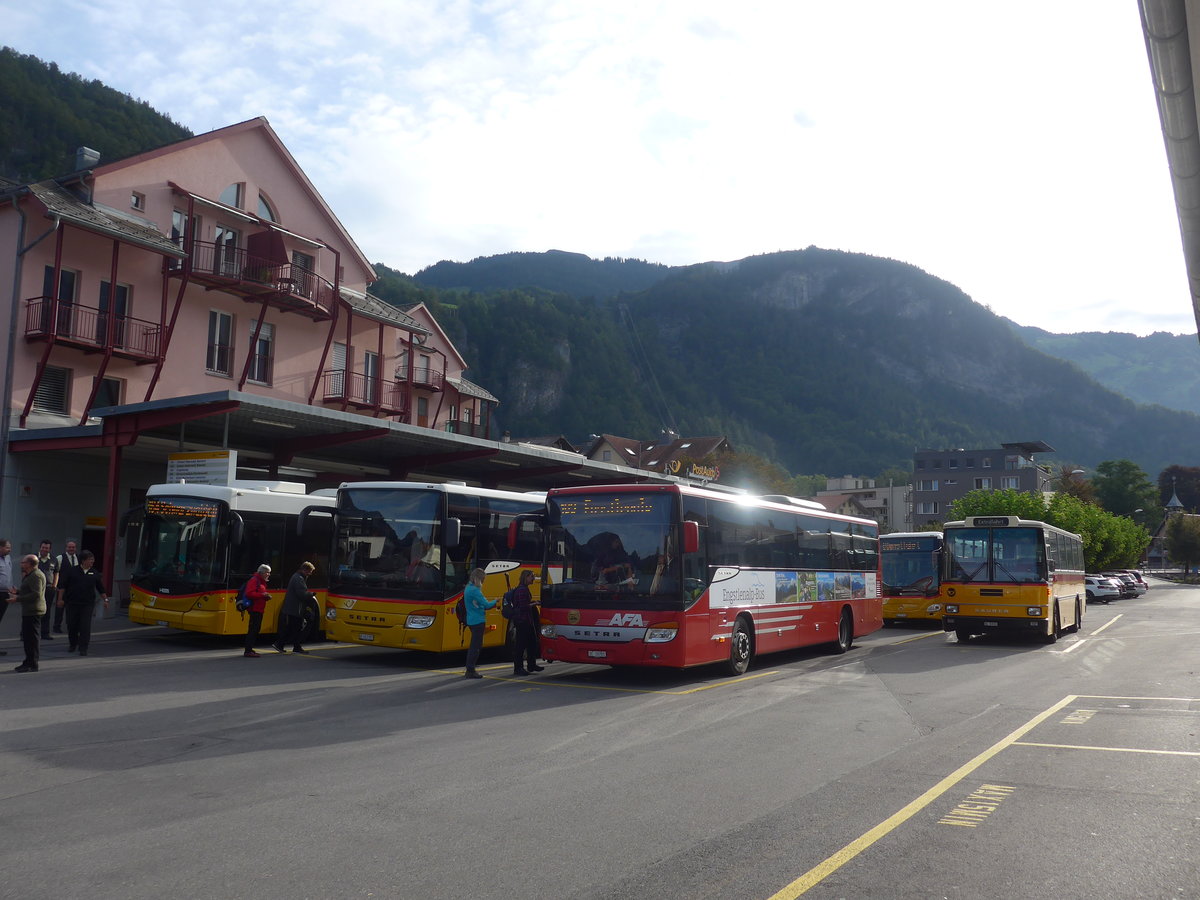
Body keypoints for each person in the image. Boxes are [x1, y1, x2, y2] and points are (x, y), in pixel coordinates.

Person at [56, 549, 108, 656]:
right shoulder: (72, 571)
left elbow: (100, 588)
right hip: (72, 603)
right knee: (71, 625)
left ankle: (83, 647)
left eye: (93, 560)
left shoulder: (94, 572)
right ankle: (73, 644)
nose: (92, 562)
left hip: (87, 604)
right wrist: (60, 599)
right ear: (83, 561)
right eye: (90, 560)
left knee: (85, 626)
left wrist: (105, 600)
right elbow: (62, 586)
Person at [7, 554, 46, 672]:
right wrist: (17, 591)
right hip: (29, 610)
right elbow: (28, 590)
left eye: (23, 562)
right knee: (27, 638)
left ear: (29, 564)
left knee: (32, 639)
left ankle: (32, 663)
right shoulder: (31, 575)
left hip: (34, 610)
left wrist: (17, 599)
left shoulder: (36, 576)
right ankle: (28, 661)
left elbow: (35, 594)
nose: (21, 564)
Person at [273, 561, 315, 654]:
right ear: (304, 570)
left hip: (293, 607)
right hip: (296, 608)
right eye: (309, 571)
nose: (310, 574)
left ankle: (291, 645)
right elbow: (301, 594)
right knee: (295, 628)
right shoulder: (299, 579)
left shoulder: (297, 577)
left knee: (294, 628)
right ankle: (282, 644)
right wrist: (311, 594)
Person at [508, 569, 544, 676]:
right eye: (532, 576)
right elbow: (523, 606)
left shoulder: (523, 589)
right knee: (521, 645)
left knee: (532, 643)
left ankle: (531, 665)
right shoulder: (522, 590)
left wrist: (532, 603)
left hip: (526, 620)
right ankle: (518, 668)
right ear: (526, 577)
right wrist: (534, 604)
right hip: (523, 621)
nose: (533, 579)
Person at [462, 567, 496, 679]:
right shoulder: (475, 591)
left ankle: (470, 667)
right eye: (483, 579)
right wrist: (496, 601)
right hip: (478, 621)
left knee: (474, 645)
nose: (484, 581)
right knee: (476, 646)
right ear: (479, 578)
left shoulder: (468, 588)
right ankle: (470, 670)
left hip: (471, 620)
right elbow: (487, 605)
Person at [242, 564, 272, 658]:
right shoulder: (255, 580)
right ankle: (248, 650)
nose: (268, 574)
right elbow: (249, 593)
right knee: (253, 629)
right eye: (267, 572)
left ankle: (250, 649)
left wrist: (265, 596)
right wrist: (263, 595)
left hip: (258, 609)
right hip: (254, 609)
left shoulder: (260, 581)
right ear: (262, 572)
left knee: (255, 629)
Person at [52, 539, 80, 634]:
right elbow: (55, 572)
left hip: (74, 589)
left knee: (71, 610)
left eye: (73, 547)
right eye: (69, 547)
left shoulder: (78, 558)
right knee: (59, 608)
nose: (71, 549)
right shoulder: (60, 558)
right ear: (66, 548)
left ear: (75, 548)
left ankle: (70, 626)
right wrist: (55, 585)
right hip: (62, 588)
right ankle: (56, 627)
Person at [36, 540, 57, 640]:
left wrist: (54, 585)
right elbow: (25, 570)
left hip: (49, 589)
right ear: (40, 547)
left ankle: (45, 633)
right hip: (35, 589)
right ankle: (25, 634)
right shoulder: (33, 558)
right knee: (32, 611)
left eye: (47, 548)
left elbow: (56, 573)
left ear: (50, 549)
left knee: (46, 611)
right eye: (43, 547)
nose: (44, 549)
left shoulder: (53, 559)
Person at [0, 539, 11, 655]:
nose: (10, 549)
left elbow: (8, 574)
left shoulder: (7, 558)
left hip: (5, 594)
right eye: (7, 547)